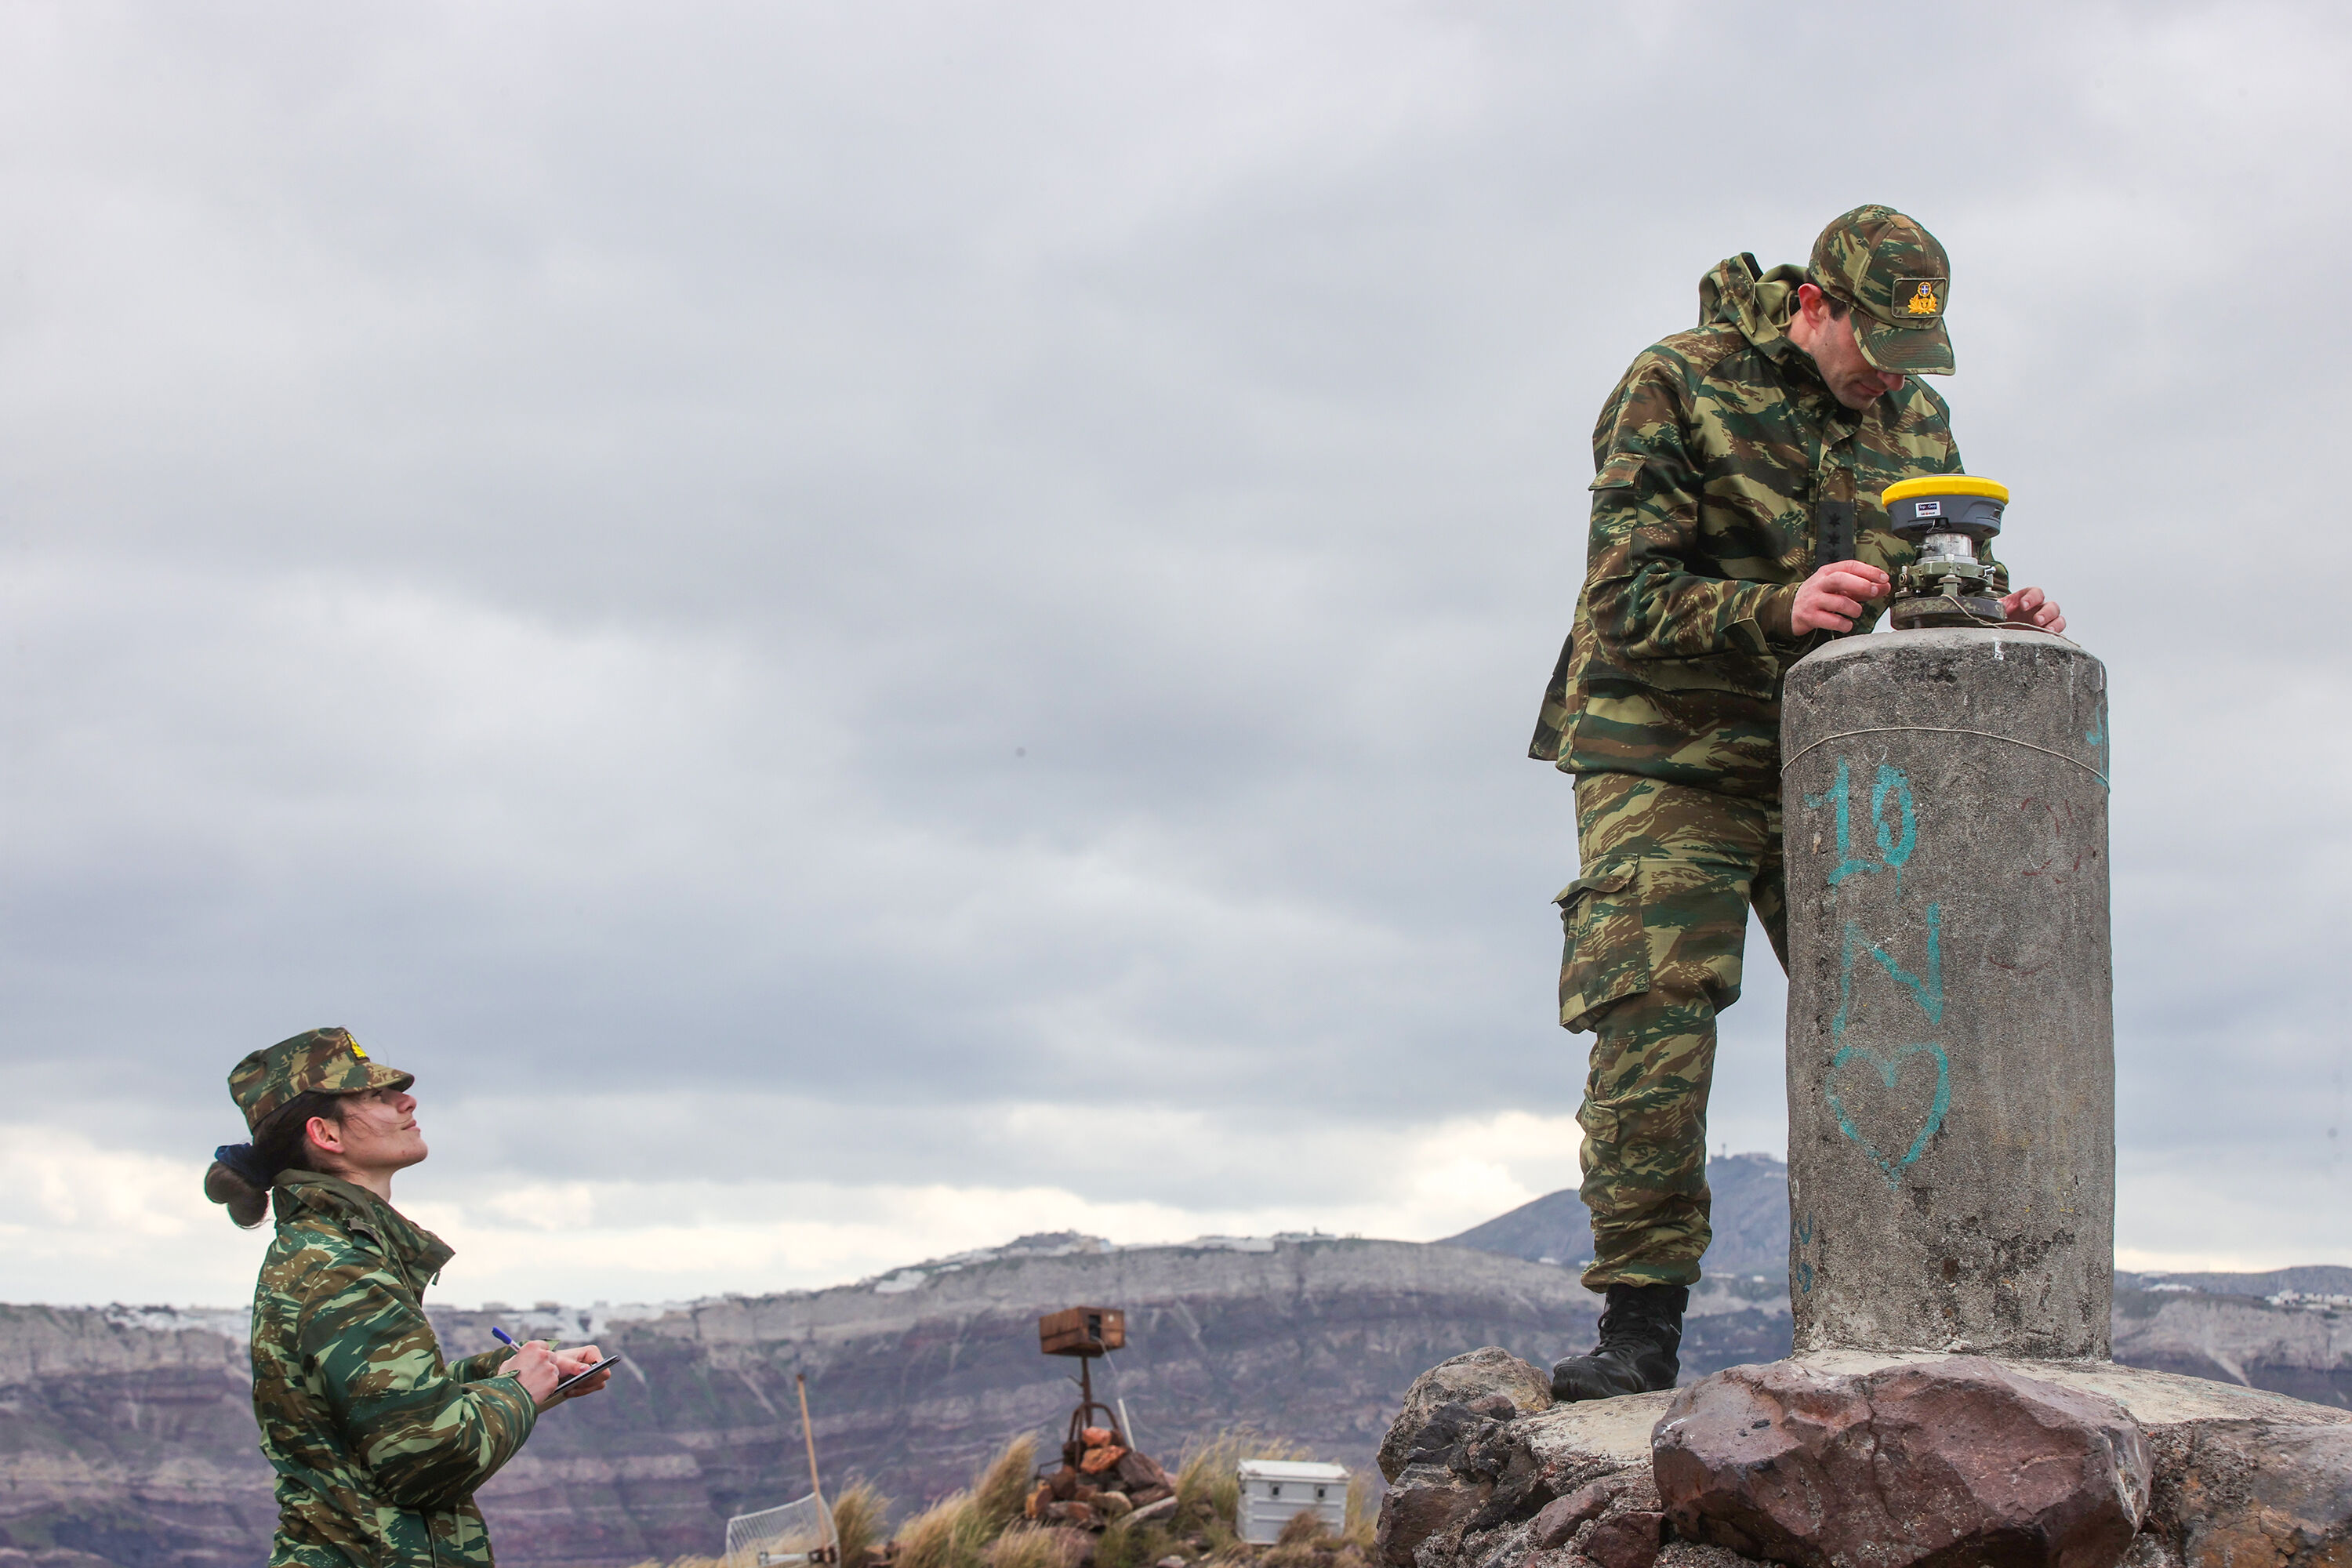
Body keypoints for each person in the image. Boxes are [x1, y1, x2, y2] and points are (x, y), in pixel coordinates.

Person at [1528, 206, 2065, 1401]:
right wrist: (1775, 607)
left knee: (1902, 1001)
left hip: (1828, 751)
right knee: (1659, 1005)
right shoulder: (1678, 384)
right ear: (1813, 305)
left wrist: (1993, 619)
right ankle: (1641, 1328)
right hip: (1662, 748)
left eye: (1912, 358)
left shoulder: (1913, 413)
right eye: (1872, 345)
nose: (1891, 381)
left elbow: (1926, 587)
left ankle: (1922, 1304)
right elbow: (1623, 601)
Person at [205, 1026, 614, 1563]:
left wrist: (519, 1371)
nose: (407, 1100)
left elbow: (389, 1411)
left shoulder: (331, 1251)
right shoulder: (341, 1269)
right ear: (326, 1135)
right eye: (375, 1096)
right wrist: (519, 1392)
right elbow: (428, 1457)